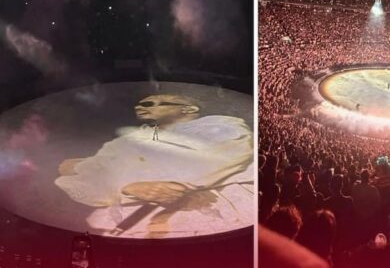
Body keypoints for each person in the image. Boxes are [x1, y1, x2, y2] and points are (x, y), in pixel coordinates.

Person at [55, 94, 254, 238]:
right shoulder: (130, 139)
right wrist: (125, 185)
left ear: (188, 109)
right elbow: (82, 172)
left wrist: (121, 174)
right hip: (133, 221)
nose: (140, 107)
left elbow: (205, 161)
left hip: (210, 211)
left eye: (150, 103)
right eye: (139, 104)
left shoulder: (221, 127)